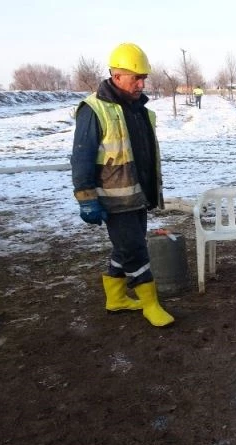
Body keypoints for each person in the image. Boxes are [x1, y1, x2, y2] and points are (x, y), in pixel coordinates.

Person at [71, 42, 174, 327]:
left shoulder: (138, 109)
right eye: (135, 78)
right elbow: (81, 155)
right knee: (135, 249)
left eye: (144, 78)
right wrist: (86, 197)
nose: (142, 84)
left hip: (137, 193)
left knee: (127, 245)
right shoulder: (94, 109)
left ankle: (115, 298)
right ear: (116, 77)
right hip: (113, 197)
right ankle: (150, 304)